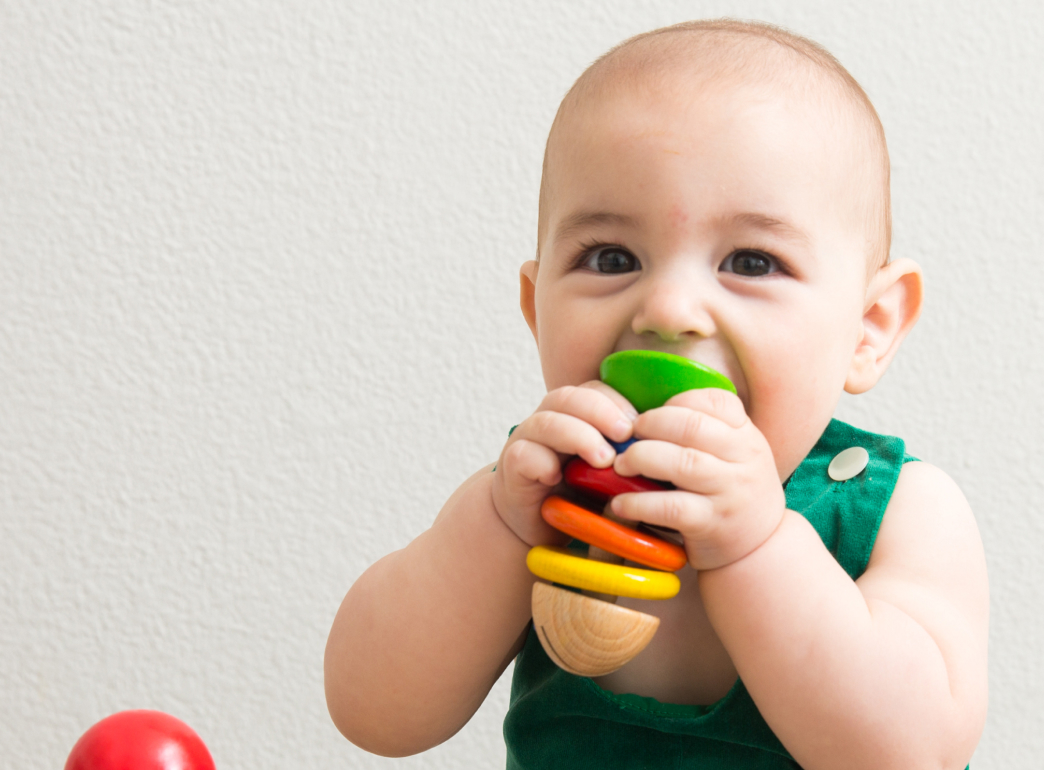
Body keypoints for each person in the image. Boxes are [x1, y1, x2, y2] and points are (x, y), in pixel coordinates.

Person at [324, 19, 987, 770]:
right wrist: (499, 530)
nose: (668, 309)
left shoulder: (902, 511)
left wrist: (757, 548)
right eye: (611, 257)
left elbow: (908, 752)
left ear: (868, 328)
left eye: (751, 260)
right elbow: (372, 712)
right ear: (538, 310)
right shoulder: (538, 497)